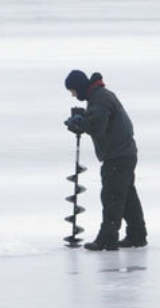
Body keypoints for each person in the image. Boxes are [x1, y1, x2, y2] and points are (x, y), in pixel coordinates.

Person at [64, 70, 147, 251]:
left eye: (73, 91)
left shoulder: (99, 99)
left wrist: (80, 124)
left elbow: (97, 127)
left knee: (112, 196)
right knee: (127, 197)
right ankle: (137, 235)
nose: (73, 95)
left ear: (80, 87)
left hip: (117, 156)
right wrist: (84, 119)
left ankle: (107, 238)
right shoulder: (101, 96)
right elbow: (101, 122)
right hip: (125, 153)